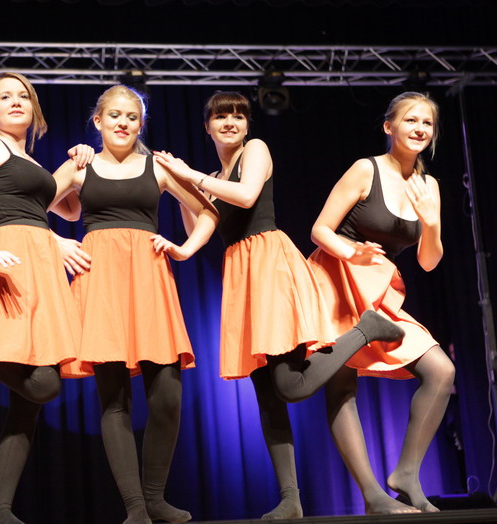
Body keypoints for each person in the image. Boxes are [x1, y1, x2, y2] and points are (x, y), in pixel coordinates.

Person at [155, 91, 405, 519]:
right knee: (267, 393)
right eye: (221, 116)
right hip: (240, 274)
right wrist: (178, 185)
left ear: (247, 125)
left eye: (238, 115)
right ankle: (291, 500)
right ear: (207, 126)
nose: (230, 122)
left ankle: (367, 327)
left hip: (269, 263)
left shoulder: (256, 149)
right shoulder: (213, 176)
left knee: (290, 386)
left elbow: (247, 195)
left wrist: (189, 174)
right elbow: (201, 226)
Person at [51, 85, 218, 524]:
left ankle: (155, 497)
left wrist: (185, 249)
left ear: (140, 124)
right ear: (98, 121)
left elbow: (208, 212)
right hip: (100, 281)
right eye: (115, 115)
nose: (123, 123)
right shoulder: (80, 166)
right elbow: (28, 210)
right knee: (114, 400)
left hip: (149, 279)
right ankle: (136, 508)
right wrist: (56, 242)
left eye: (131, 117)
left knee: (167, 397)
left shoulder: (158, 167)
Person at [0, 72, 93, 524]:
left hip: (42, 263)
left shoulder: (30, 161)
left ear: (34, 108)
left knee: (27, 403)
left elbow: (70, 208)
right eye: (4, 97)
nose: (15, 102)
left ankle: (0, 511)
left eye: (23, 96)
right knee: (45, 384)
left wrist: (80, 160)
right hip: (9, 258)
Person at [308, 91, 454, 514]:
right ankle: (373, 496)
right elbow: (320, 229)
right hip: (335, 278)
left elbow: (428, 262)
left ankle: (406, 473)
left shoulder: (428, 186)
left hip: (379, 288)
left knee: (441, 371)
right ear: (390, 126)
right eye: (411, 120)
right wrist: (350, 252)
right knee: (341, 384)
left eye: (427, 122)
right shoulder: (365, 169)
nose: (419, 128)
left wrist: (431, 224)